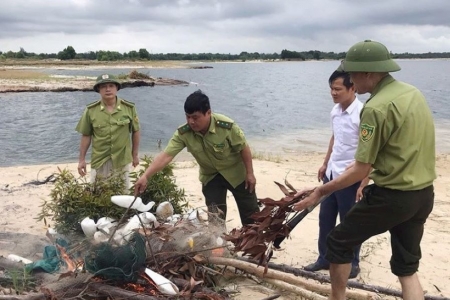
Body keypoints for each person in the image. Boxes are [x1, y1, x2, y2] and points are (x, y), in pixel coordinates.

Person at [293, 40, 436, 300]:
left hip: (393, 195)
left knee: (337, 242)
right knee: (407, 268)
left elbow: (361, 168)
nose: (352, 81)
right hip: (424, 194)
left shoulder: (375, 107)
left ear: (369, 73)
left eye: (353, 74)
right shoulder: (412, 93)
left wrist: (320, 190)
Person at [134, 90, 259, 226]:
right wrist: (146, 175)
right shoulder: (184, 133)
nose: (191, 122)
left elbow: (243, 148)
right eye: (188, 117)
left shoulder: (226, 127)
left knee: (251, 215)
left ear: (208, 113)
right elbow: (166, 155)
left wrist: (250, 173)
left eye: (195, 117)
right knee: (215, 218)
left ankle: (255, 245)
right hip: (210, 177)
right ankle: (219, 246)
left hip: (236, 174)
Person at [304, 70, 367, 279]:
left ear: (353, 88)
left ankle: (353, 263)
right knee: (325, 219)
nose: (333, 93)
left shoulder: (363, 114)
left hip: (349, 177)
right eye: (331, 88)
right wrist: (325, 163)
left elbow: (371, 151)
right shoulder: (335, 111)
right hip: (331, 174)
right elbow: (335, 138)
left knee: (350, 222)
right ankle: (324, 258)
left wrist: (363, 182)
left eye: (338, 89)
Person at [76, 74, 141, 189]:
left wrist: (135, 155)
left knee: (123, 193)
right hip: (100, 160)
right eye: (103, 86)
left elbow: (136, 131)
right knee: (99, 193)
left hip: (122, 159)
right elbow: (86, 135)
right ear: (98, 90)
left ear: (117, 88)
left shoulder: (129, 108)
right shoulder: (91, 110)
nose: (108, 89)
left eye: (111, 86)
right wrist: (81, 160)